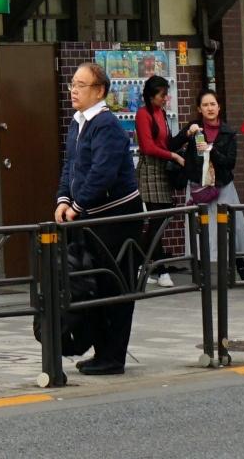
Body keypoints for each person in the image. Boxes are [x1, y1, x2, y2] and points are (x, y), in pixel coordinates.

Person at [54, 60, 141, 376]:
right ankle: (101, 352)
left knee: (115, 287)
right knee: (95, 286)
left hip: (117, 218)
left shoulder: (106, 125)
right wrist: (64, 200)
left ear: (100, 91)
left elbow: (102, 173)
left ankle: (113, 356)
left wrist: (77, 205)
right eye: (72, 84)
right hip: (91, 217)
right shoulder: (77, 123)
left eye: (80, 85)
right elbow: (71, 167)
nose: (74, 90)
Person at [180, 87, 244, 284]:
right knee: (198, 227)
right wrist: (187, 134)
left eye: (213, 104)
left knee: (230, 227)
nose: (210, 108)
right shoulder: (194, 129)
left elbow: (230, 162)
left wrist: (211, 150)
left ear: (219, 107)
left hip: (222, 186)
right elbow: (171, 144)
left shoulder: (228, 132)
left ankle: (240, 267)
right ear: (199, 109)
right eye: (205, 105)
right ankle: (199, 273)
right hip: (198, 188)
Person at [133, 76, 187, 286]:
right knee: (157, 221)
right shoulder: (143, 114)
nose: (165, 99)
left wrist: (186, 135)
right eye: (162, 95)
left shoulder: (161, 113)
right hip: (149, 170)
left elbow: (168, 142)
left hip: (162, 169)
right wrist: (173, 156)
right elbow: (147, 147)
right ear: (151, 95)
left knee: (160, 220)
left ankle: (139, 264)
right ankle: (161, 269)